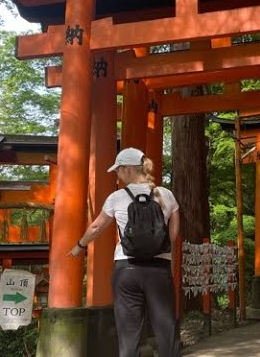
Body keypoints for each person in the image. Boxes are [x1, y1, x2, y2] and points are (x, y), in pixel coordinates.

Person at [68, 147, 180, 357]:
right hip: (159, 269)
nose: (117, 174)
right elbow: (173, 233)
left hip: (126, 268)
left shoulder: (117, 198)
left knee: (128, 332)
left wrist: (80, 246)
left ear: (128, 169)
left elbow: (96, 228)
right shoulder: (166, 195)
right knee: (165, 327)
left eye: (118, 170)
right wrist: (156, 249)